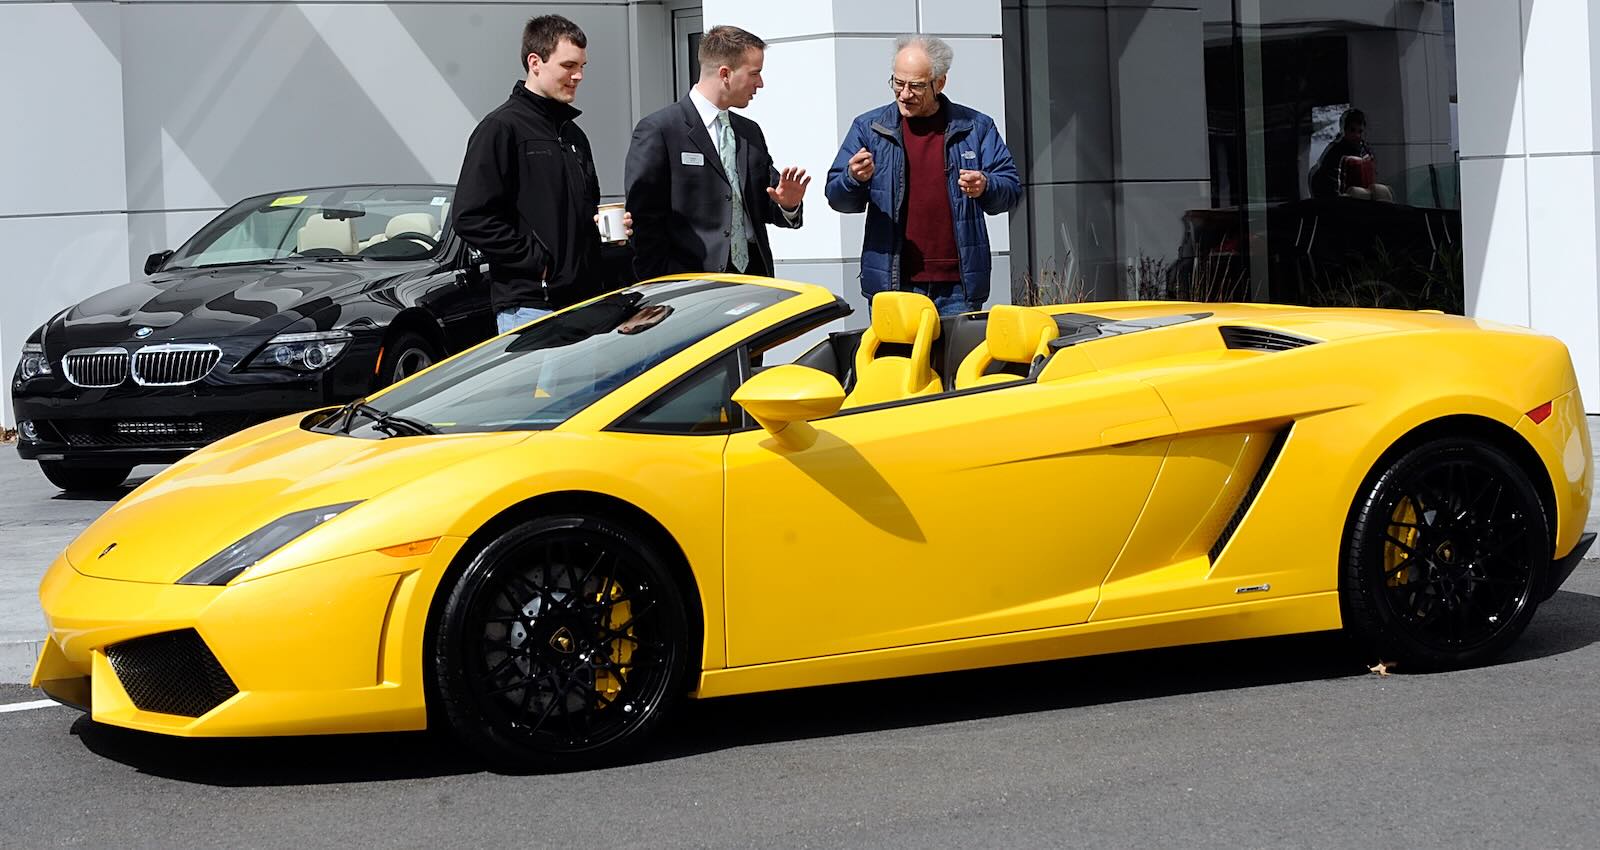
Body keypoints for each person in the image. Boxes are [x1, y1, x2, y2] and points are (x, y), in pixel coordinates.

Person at [453, 15, 631, 334]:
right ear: (535, 62)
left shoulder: (574, 135)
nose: (578, 75)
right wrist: (540, 262)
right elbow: (471, 217)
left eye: (582, 66)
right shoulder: (500, 129)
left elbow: (574, 217)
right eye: (568, 65)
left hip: (585, 303)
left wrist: (605, 234)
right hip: (532, 307)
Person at [825, 35, 1021, 316]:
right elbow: (837, 198)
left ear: (939, 83)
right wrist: (853, 178)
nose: (904, 94)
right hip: (893, 286)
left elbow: (1010, 190)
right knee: (893, 349)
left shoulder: (975, 127)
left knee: (959, 349)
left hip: (959, 288)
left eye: (915, 86)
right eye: (898, 82)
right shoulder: (870, 128)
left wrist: (985, 186)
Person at [624, 25, 809, 281]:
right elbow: (644, 220)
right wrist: (662, 284)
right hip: (689, 282)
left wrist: (788, 204)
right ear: (725, 74)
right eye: (755, 73)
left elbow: (764, 200)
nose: (760, 83)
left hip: (754, 279)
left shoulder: (749, 132)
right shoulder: (660, 130)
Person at [1309, 108, 1394, 202]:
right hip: (1344, 204)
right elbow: (1329, 184)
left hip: (1366, 202)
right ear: (1345, 130)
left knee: (1381, 192)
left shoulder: (1366, 152)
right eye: (1352, 130)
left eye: (1360, 131)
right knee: (1356, 193)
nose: (1357, 135)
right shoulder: (1336, 153)